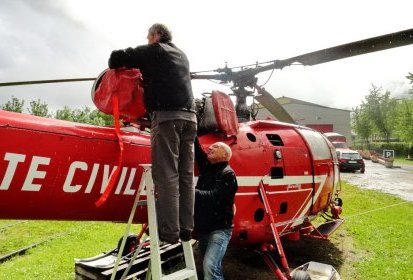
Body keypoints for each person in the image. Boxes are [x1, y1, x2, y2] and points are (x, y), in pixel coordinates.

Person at [108, 23, 197, 244]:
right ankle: (186, 228)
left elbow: (115, 58)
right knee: (186, 176)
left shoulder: (154, 50)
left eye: (148, 36)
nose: (147, 40)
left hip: (167, 118)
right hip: (190, 119)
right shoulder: (182, 54)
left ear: (155, 36)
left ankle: (168, 233)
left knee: (166, 174)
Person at [194, 138, 238, 280]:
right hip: (204, 229)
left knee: (209, 266)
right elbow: (199, 152)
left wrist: (190, 191)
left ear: (225, 155)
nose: (210, 148)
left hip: (219, 229)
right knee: (213, 267)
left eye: (216, 147)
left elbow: (214, 196)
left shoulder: (228, 174)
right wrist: (193, 130)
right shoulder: (207, 167)